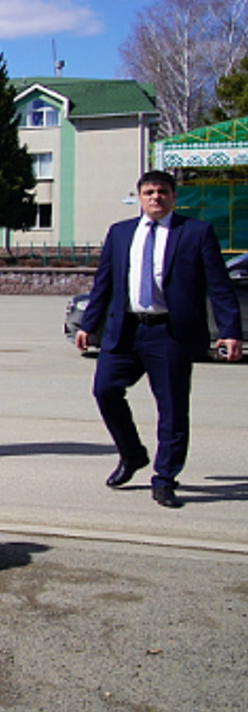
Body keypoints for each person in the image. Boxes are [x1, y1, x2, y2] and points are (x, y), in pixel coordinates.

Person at [75, 170, 242, 508]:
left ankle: (165, 477)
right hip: (126, 330)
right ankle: (132, 454)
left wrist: (230, 332)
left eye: (162, 192)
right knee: (105, 390)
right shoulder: (121, 233)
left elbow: (220, 286)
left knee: (172, 409)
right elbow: (104, 283)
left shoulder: (195, 233)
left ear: (173, 197)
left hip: (170, 334)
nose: (155, 197)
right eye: (149, 192)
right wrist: (88, 324)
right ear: (138, 197)